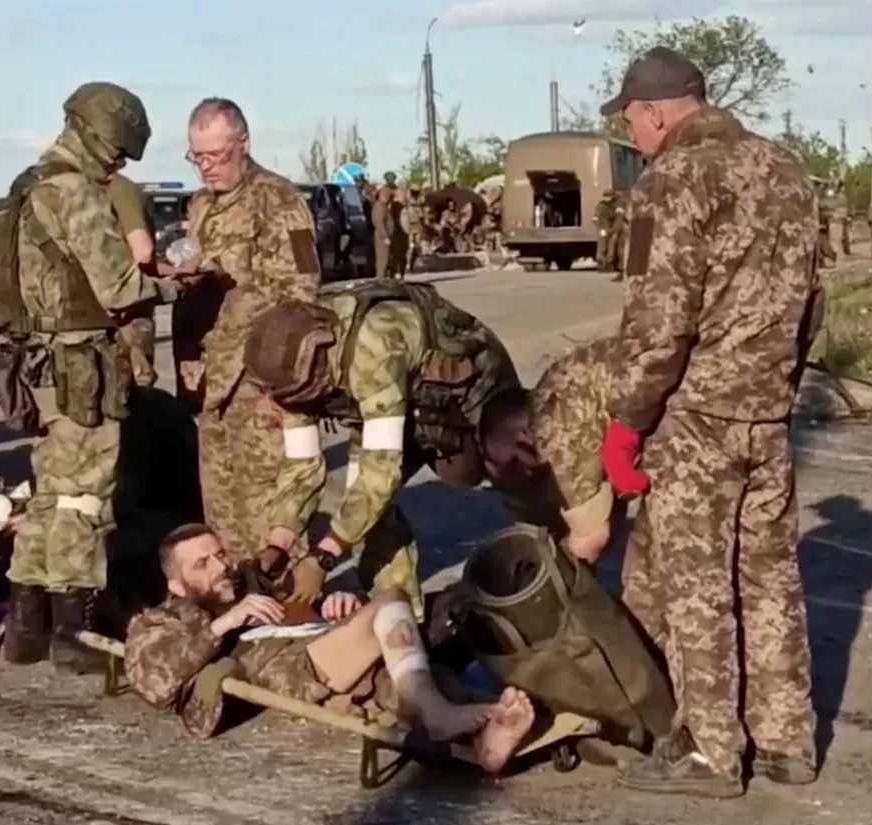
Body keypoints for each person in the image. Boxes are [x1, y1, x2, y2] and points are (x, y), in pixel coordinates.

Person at [595, 47, 820, 797]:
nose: (634, 139)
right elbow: (815, 297)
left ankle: (712, 749)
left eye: (632, 124)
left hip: (695, 414)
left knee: (697, 583)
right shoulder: (785, 168)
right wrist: (781, 376)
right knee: (769, 576)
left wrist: (627, 421)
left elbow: (660, 320)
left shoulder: (672, 179)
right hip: (768, 407)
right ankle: (787, 738)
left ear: (654, 111)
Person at [0, 81, 190, 673]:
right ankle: (75, 632)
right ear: (101, 138)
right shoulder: (75, 194)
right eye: (119, 153)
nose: (119, 164)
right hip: (80, 365)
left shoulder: (26, 189)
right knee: (82, 497)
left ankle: (28, 621)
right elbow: (119, 288)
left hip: (38, 362)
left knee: (49, 492)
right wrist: (177, 280)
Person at [124, 522, 536, 773]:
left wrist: (333, 605)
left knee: (422, 677)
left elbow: (301, 604)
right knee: (391, 598)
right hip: (293, 666)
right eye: (202, 564)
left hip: (328, 645)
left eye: (219, 555)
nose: (220, 568)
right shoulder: (162, 621)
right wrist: (225, 622)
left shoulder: (253, 585)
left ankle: (487, 741)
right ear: (176, 585)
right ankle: (443, 714)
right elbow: (153, 680)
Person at [240, 278, 519, 611]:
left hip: (470, 396)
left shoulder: (374, 345)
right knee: (371, 515)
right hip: (391, 406)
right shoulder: (290, 376)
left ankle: (564, 554)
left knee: (517, 470)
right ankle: (398, 613)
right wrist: (279, 542)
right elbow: (302, 465)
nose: (291, 405)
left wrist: (324, 557)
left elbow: (379, 474)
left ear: (321, 354)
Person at [183, 98, 321, 564]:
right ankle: (245, 613)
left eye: (215, 155)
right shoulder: (201, 206)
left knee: (269, 519)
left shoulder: (279, 200)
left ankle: (290, 615)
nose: (206, 168)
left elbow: (302, 289)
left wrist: (281, 386)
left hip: (258, 382)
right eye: (196, 157)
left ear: (243, 144)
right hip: (212, 385)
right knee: (222, 519)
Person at [476, 339, 617, 565]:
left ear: (522, 435)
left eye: (508, 465)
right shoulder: (549, 394)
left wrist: (556, 583)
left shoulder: (556, 430)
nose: (499, 475)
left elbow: (592, 537)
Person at [107, 170, 159, 388]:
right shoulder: (121, 189)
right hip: (128, 304)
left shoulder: (80, 190)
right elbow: (143, 252)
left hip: (102, 306)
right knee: (136, 387)